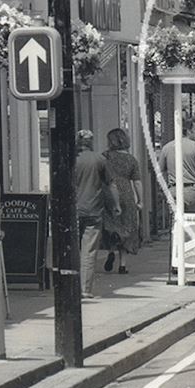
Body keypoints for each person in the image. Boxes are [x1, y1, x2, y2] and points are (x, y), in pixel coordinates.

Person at [75, 130, 119, 298]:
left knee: (72, 249)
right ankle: (85, 289)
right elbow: (111, 184)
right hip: (93, 209)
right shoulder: (99, 159)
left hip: (74, 210)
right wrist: (116, 205)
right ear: (91, 142)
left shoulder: (72, 158)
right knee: (89, 251)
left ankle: (70, 285)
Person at [102, 128, 142, 275]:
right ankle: (123, 265)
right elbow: (137, 182)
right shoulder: (131, 159)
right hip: (126, 193)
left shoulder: (105, 156)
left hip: (108, 193)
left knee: (111, 225)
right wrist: (140, 200)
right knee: (126, 227)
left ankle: (111, 251)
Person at [159, 120, 195, 212]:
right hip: (192, 191)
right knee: (194, 220)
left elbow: (160, 171)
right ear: (189, 131)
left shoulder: (167, 147)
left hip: (174, 190)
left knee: (175, 219)